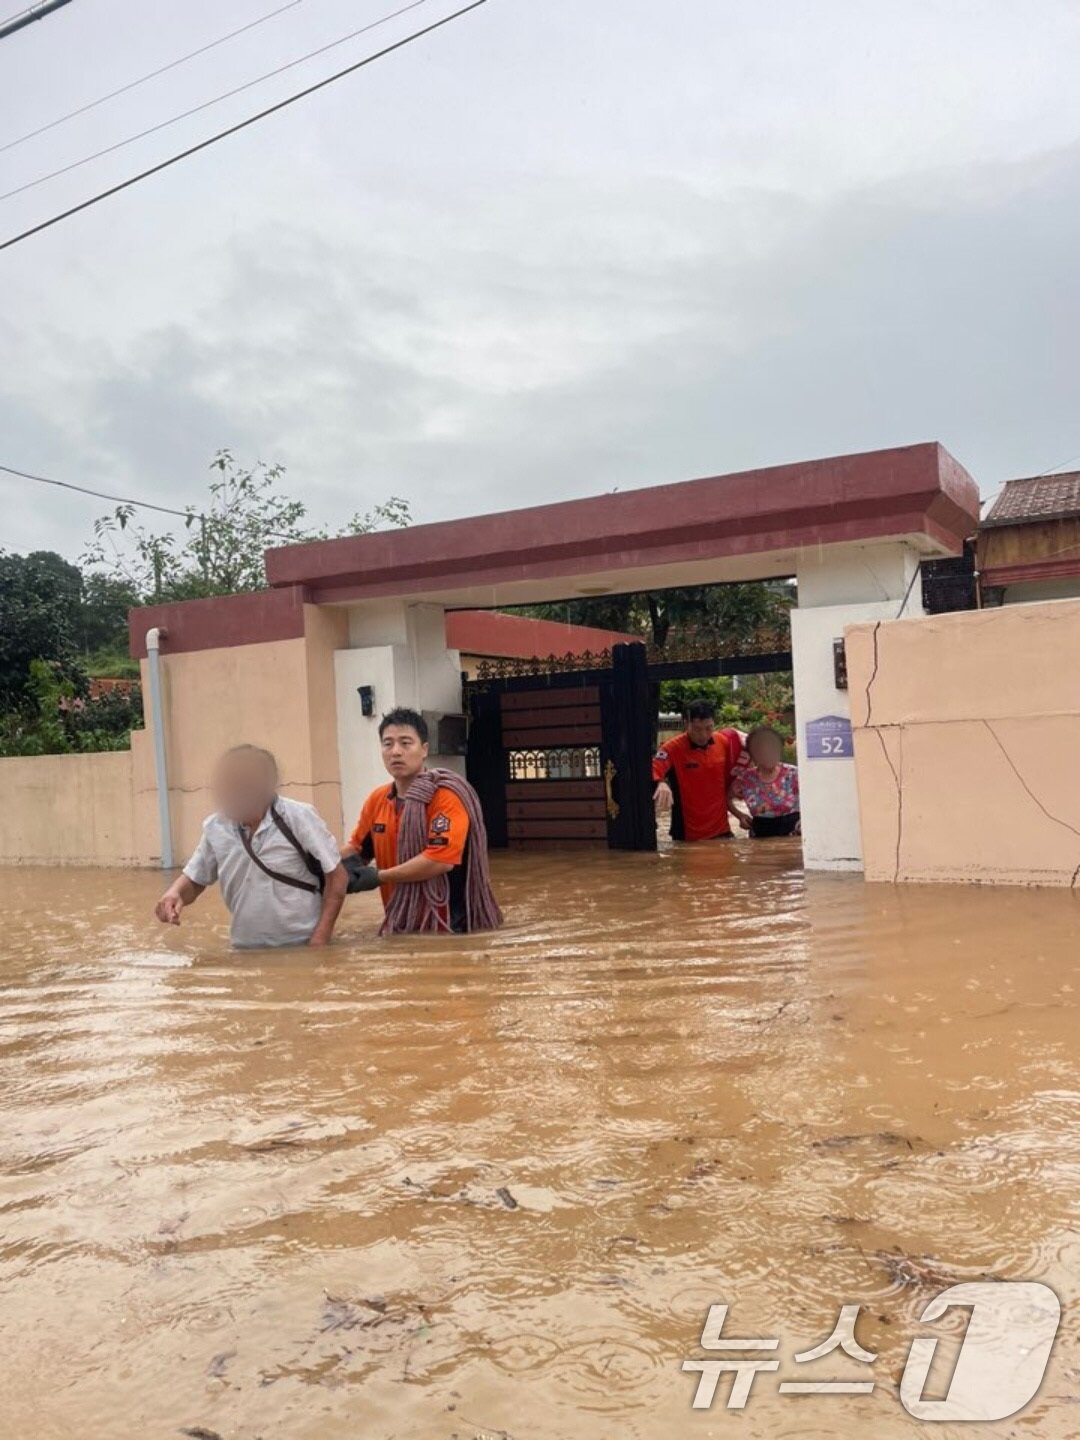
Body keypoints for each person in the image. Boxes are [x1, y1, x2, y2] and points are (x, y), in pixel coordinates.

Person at [154, 744, 348, 948]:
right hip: (245, 948)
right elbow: (196, 879)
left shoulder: (299, 817)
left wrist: (320, 939)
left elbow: (337, 877)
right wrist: (174, 895)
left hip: (302, 944)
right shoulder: (215, 827)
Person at [343, 707, 502, 934]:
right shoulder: (378, 799)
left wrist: (379, 876)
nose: (396, 751)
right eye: (388, 744)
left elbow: (440, 860)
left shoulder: (446, 798)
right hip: (401, 921)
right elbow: (357, 850)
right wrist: (320, 862)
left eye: (406, 743)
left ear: (424, 749)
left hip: (450, 926)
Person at [653, 699, 744, 841]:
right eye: (697, 729)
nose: (703, 735)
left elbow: (731, 781)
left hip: (722, 831)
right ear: (685, 724)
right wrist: (661, 782)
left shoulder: (723, 742)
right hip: (687, 835)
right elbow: (653, 768)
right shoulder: (671, 749)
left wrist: (739, 813)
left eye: (709, 728)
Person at [728, 725, 801, 837]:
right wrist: (740, 816)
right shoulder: (745, 778)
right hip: (760, 835)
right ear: (753, 755)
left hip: (792, 834)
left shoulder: (794, 774)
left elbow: (815, 800)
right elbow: (724, 798)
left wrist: (804, 823)